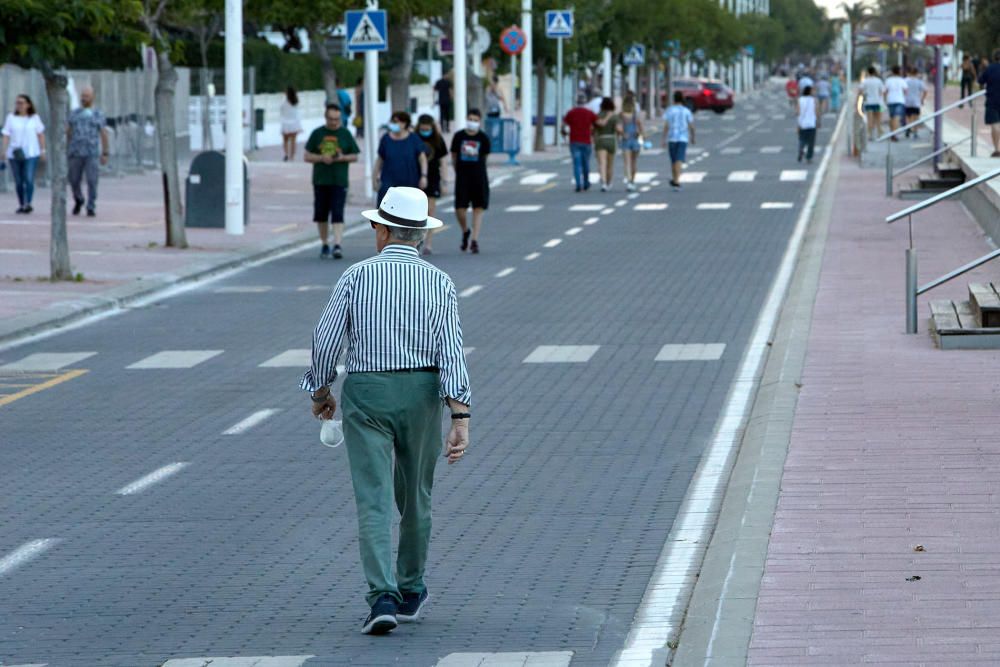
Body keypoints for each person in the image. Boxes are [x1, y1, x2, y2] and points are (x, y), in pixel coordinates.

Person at [302, 185, 471, 636]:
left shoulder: (355, 277)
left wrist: (320, 392)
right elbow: (452, 351)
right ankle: (412, 587)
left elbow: (325, 340)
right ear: (419, 234)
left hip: (366, 392)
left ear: (382, 229)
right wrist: (460, 416)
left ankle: (382, 594)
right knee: (416, 495)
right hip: (421, 390)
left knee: (373, 496)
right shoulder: (440, 282)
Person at [304, 104, 360, 260]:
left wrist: (342, 158)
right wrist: (322, 158)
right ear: (326, 118)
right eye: (331, 119)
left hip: (339, 180)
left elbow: (354, 155)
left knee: (337, 212)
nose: (334, 122)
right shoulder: (318, 133)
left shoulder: (345, 134)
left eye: (337, 119)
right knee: (321, 214)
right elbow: (307, 156)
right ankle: (324, 243)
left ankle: (337, 243)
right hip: (321, 179)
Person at [450, 108, 490, 254]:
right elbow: (454, 155)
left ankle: (474, 240)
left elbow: (485, 157)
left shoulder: (483, 138)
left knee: (478, 208)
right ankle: (465, 230)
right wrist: (457, 171)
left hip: (479, 177)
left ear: (479, 121)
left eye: (475, 120)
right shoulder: (459, 136)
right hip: (462, 177)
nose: (472, 122)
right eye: (470, 119)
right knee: (460, 208)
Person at [67, 86, 109, 217]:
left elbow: (103, 133)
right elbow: (68, 130)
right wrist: (68, 146)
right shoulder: (74, 113)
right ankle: (78, 199)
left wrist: (105, 152)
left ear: (92, 97)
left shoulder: (98, 114)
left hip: (91, 152)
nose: (84, 99)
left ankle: (91, 205)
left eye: (87, 96)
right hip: (75, 152)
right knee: (74, 180)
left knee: (92, 180)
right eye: (82, 96)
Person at [1, 94, 46, 214]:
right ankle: (21, 203)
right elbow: (6, 134)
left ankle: (28, 203)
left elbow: (40, 134)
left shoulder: (34, 118)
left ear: (28, 105)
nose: (19, 105)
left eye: (22, 103)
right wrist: (4, 151)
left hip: (31, 153)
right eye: (17, 103)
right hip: (15, 153)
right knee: (19, 181)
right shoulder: (11, 118)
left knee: (29, 178)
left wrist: (43, 150)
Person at [373, 111, 428, 206]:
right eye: (392, 121)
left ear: (404, 123)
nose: (393, 124)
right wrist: (374, 179)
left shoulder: (414, 139)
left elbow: (422, 159)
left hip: (410, 184)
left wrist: (423, 176)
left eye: (396, 121)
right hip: (388, 184)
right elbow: (379, 160)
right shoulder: (386, 139)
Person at [416, 114, 448, 255]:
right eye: (423, 128)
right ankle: (416, 241)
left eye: (427, 128)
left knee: (430, 211)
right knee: (416, 213)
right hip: (416, 177)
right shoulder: (414, 138)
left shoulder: (437, 139)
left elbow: (443, 161)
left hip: (433, 177)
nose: (425, 131)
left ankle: (428, 243)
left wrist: (445, 181)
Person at [562, 94, 598, 192]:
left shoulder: (571, 112)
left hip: (574, 141)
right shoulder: (589, 113)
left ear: (577, 102)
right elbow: (596, 124)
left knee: (577, 164)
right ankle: (586, 182)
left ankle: (578, 184)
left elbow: (564, 125)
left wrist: (564, 134)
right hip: (586, 141)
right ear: (585, 102)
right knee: (585, 163)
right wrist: (593, 134)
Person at [661, 91, 694, 190]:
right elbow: (691, 125)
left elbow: (666, 125)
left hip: (672, 138)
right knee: (679, 159)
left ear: (674, 99)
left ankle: (676, 180)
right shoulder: (686, 111)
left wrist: (663, 138)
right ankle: (676, 179)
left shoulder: (670, 110)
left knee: (674, 159)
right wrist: (693, 136)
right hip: (683, 138)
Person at [593, 97, 621, 192]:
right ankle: (609, 182)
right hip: (611, 140)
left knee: (602, 163)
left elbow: (593, 129)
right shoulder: (614, 116)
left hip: (600, 139)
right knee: (610, 164)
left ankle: (603, 182)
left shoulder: (597, 115)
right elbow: (618, 129)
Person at [618, 93, 644, 192]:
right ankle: (632, 181)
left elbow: (619, 127)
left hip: (626, 139)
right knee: (634, 162)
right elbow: (640, 125)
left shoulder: (621, 115)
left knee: (627, 162)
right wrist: (642, 135)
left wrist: (623, 133)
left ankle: (629, 181)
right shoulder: (635, 115)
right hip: (635, 139)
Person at [978, 49, 1000, 157]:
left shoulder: (990, 68)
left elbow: (981, 81)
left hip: (992, 100)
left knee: (995, 125)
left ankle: (997, 149)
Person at [883, 65, 908, 141]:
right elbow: (906, 91)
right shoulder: (902, 80)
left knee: (892, 117)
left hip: (890, 100)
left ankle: (892, 132)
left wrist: (885, 100)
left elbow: (885, 92)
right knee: (897, 118)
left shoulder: (888, 80)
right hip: (899, 100)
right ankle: (894, 133)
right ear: (899, 71)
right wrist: (903, 96)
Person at [860, 67, 885, 140]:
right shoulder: (879, 81)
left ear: (868, 72)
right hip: (878, 102)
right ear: (874, 72)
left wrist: (864, 96)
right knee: (878, 119)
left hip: (869, 102)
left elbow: (860, 91)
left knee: (869, 119)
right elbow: (882, 92)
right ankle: (879, 134)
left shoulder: (865, 81)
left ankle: (870, 134)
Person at [903, 68, 927, 139]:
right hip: (916, 101)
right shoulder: (919, 82)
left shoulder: (905, 80)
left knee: (908, 116)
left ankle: (908, 128)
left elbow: (903, 90)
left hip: (907, 101)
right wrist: (922, 99)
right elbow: (925, 91)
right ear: (916, 73)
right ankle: (915, 132)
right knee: (916, 117)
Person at [280, 86, 303, 162]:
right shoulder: (296, 100)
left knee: (285, 140)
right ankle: (292, 156)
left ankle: (286, 154)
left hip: (286, 123)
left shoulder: (284, 100)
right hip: (295, 123)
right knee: (293, 141)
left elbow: (281, 109)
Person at [796, 85, 818, 164]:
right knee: (811, 142)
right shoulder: (814, 100)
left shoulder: (800, 100)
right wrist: (818, 121)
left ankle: (801, 149)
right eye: (812, 91)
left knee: (802, 139)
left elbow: (798, 112)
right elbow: (816, 111)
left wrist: (798, 123)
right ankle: (809, 157)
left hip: (802, 124)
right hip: (812, 123)